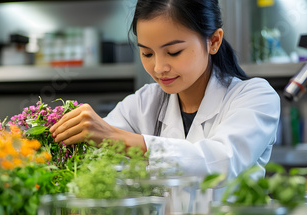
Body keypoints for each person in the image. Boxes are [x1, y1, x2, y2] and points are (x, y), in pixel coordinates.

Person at [50, 0, 280, 193]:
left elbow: (220, 162)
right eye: (147, 53)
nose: (159, 68)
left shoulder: (254, 97)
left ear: (213, 41)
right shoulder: (143, 103)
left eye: (173, 52)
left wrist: (114, 137)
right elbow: (94, 158)